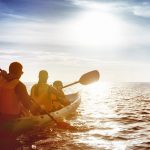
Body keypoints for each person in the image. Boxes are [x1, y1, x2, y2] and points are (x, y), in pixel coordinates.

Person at [0, 62, 40, 149]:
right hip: (11, 118)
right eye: (21, 72)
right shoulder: (20, 86)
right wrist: (39, 110)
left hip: (1, 116)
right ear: (19, 72)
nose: (21, 74)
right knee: (25, 109)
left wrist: (4, 75)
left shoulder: (1, 79)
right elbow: (28, 105)